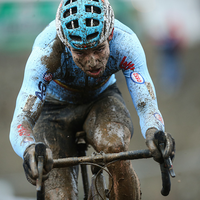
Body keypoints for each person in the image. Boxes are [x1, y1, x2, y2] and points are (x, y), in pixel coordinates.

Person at [9, 0, 175, 199]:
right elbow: (22, 118)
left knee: (115, 146)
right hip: (52, 112)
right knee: (60, 196)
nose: (92, 61)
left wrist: (154, 131)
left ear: (110, 35)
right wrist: (29, 149)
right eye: (80, 52)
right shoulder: (45, 53)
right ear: (66, 44)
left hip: (101, 100)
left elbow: (146, 103)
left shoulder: (125, 42)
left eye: (99, 48)